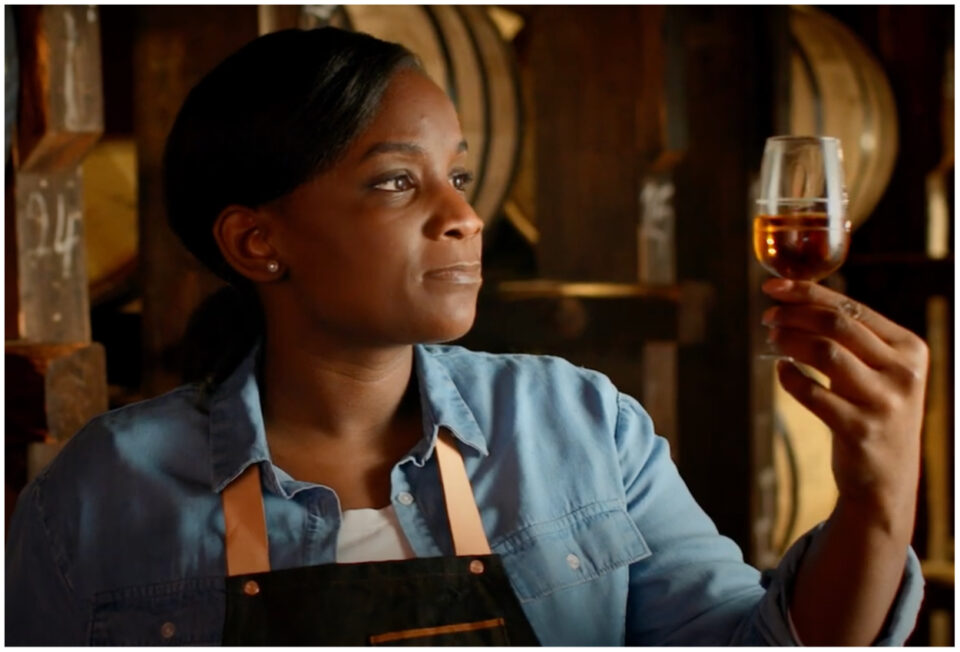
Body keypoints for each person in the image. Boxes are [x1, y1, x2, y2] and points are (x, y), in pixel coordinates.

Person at [5, 26, 928, 645]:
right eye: (398, 182)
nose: (464, 216)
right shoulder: (101, 493)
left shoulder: (579, 421)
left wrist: (879, 495)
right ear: (258, 241)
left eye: (460, 174)